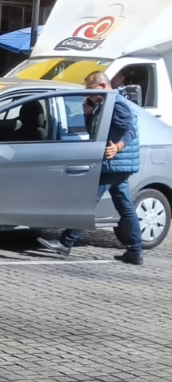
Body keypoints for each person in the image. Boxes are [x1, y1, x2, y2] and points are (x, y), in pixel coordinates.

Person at [39, 72, 144, 265]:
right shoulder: (102, 105)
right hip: (114, 164)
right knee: (125, 207)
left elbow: (129, 130)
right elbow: (94, 132)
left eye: (90, 88)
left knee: (87, 201)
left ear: (102, 86)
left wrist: (118, 147)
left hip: (114, 164)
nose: (87, 92)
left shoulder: (117, 104)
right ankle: (135, 251)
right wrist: (88, 114)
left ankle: (66, 242)